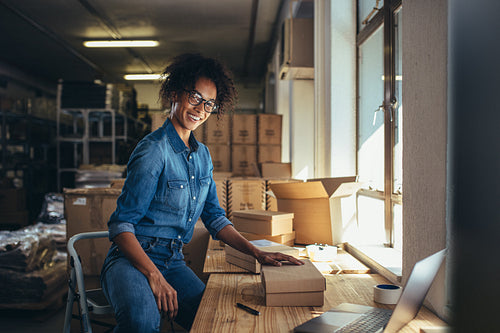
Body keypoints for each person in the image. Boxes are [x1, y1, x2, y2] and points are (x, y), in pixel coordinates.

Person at [100, 53, 303, 333]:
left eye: (209, 103)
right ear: (174, 93)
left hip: (172, 260)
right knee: (142, 323)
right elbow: (121, 226)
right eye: (195, 97)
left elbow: (215, 218)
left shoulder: (203, 156)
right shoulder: (153, 151)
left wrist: (257, 253)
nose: (201, 109)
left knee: (212, 319)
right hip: (132, 261)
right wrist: (155, 277)